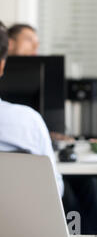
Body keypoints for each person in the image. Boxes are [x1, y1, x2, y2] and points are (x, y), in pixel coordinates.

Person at [0, 21, 63, 196]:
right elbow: (55, 189)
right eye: (29, 40)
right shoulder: (28, 122)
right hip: (16, 220)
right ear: (2, 66)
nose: (35, 46)